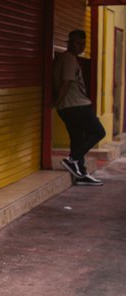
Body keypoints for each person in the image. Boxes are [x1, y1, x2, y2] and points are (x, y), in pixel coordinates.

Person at [52, 29, 106, 186]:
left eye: (83, 43)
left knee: (77, 139)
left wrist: (58, 104)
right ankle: (73, 158)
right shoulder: (69, 59)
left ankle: (80, 173)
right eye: (78, 43)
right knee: (98, 132)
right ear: (70, 43)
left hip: (68, 107)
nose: (81, 46)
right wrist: (56, 102)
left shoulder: (67, 58)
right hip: (76, 106)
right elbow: (66, 83)